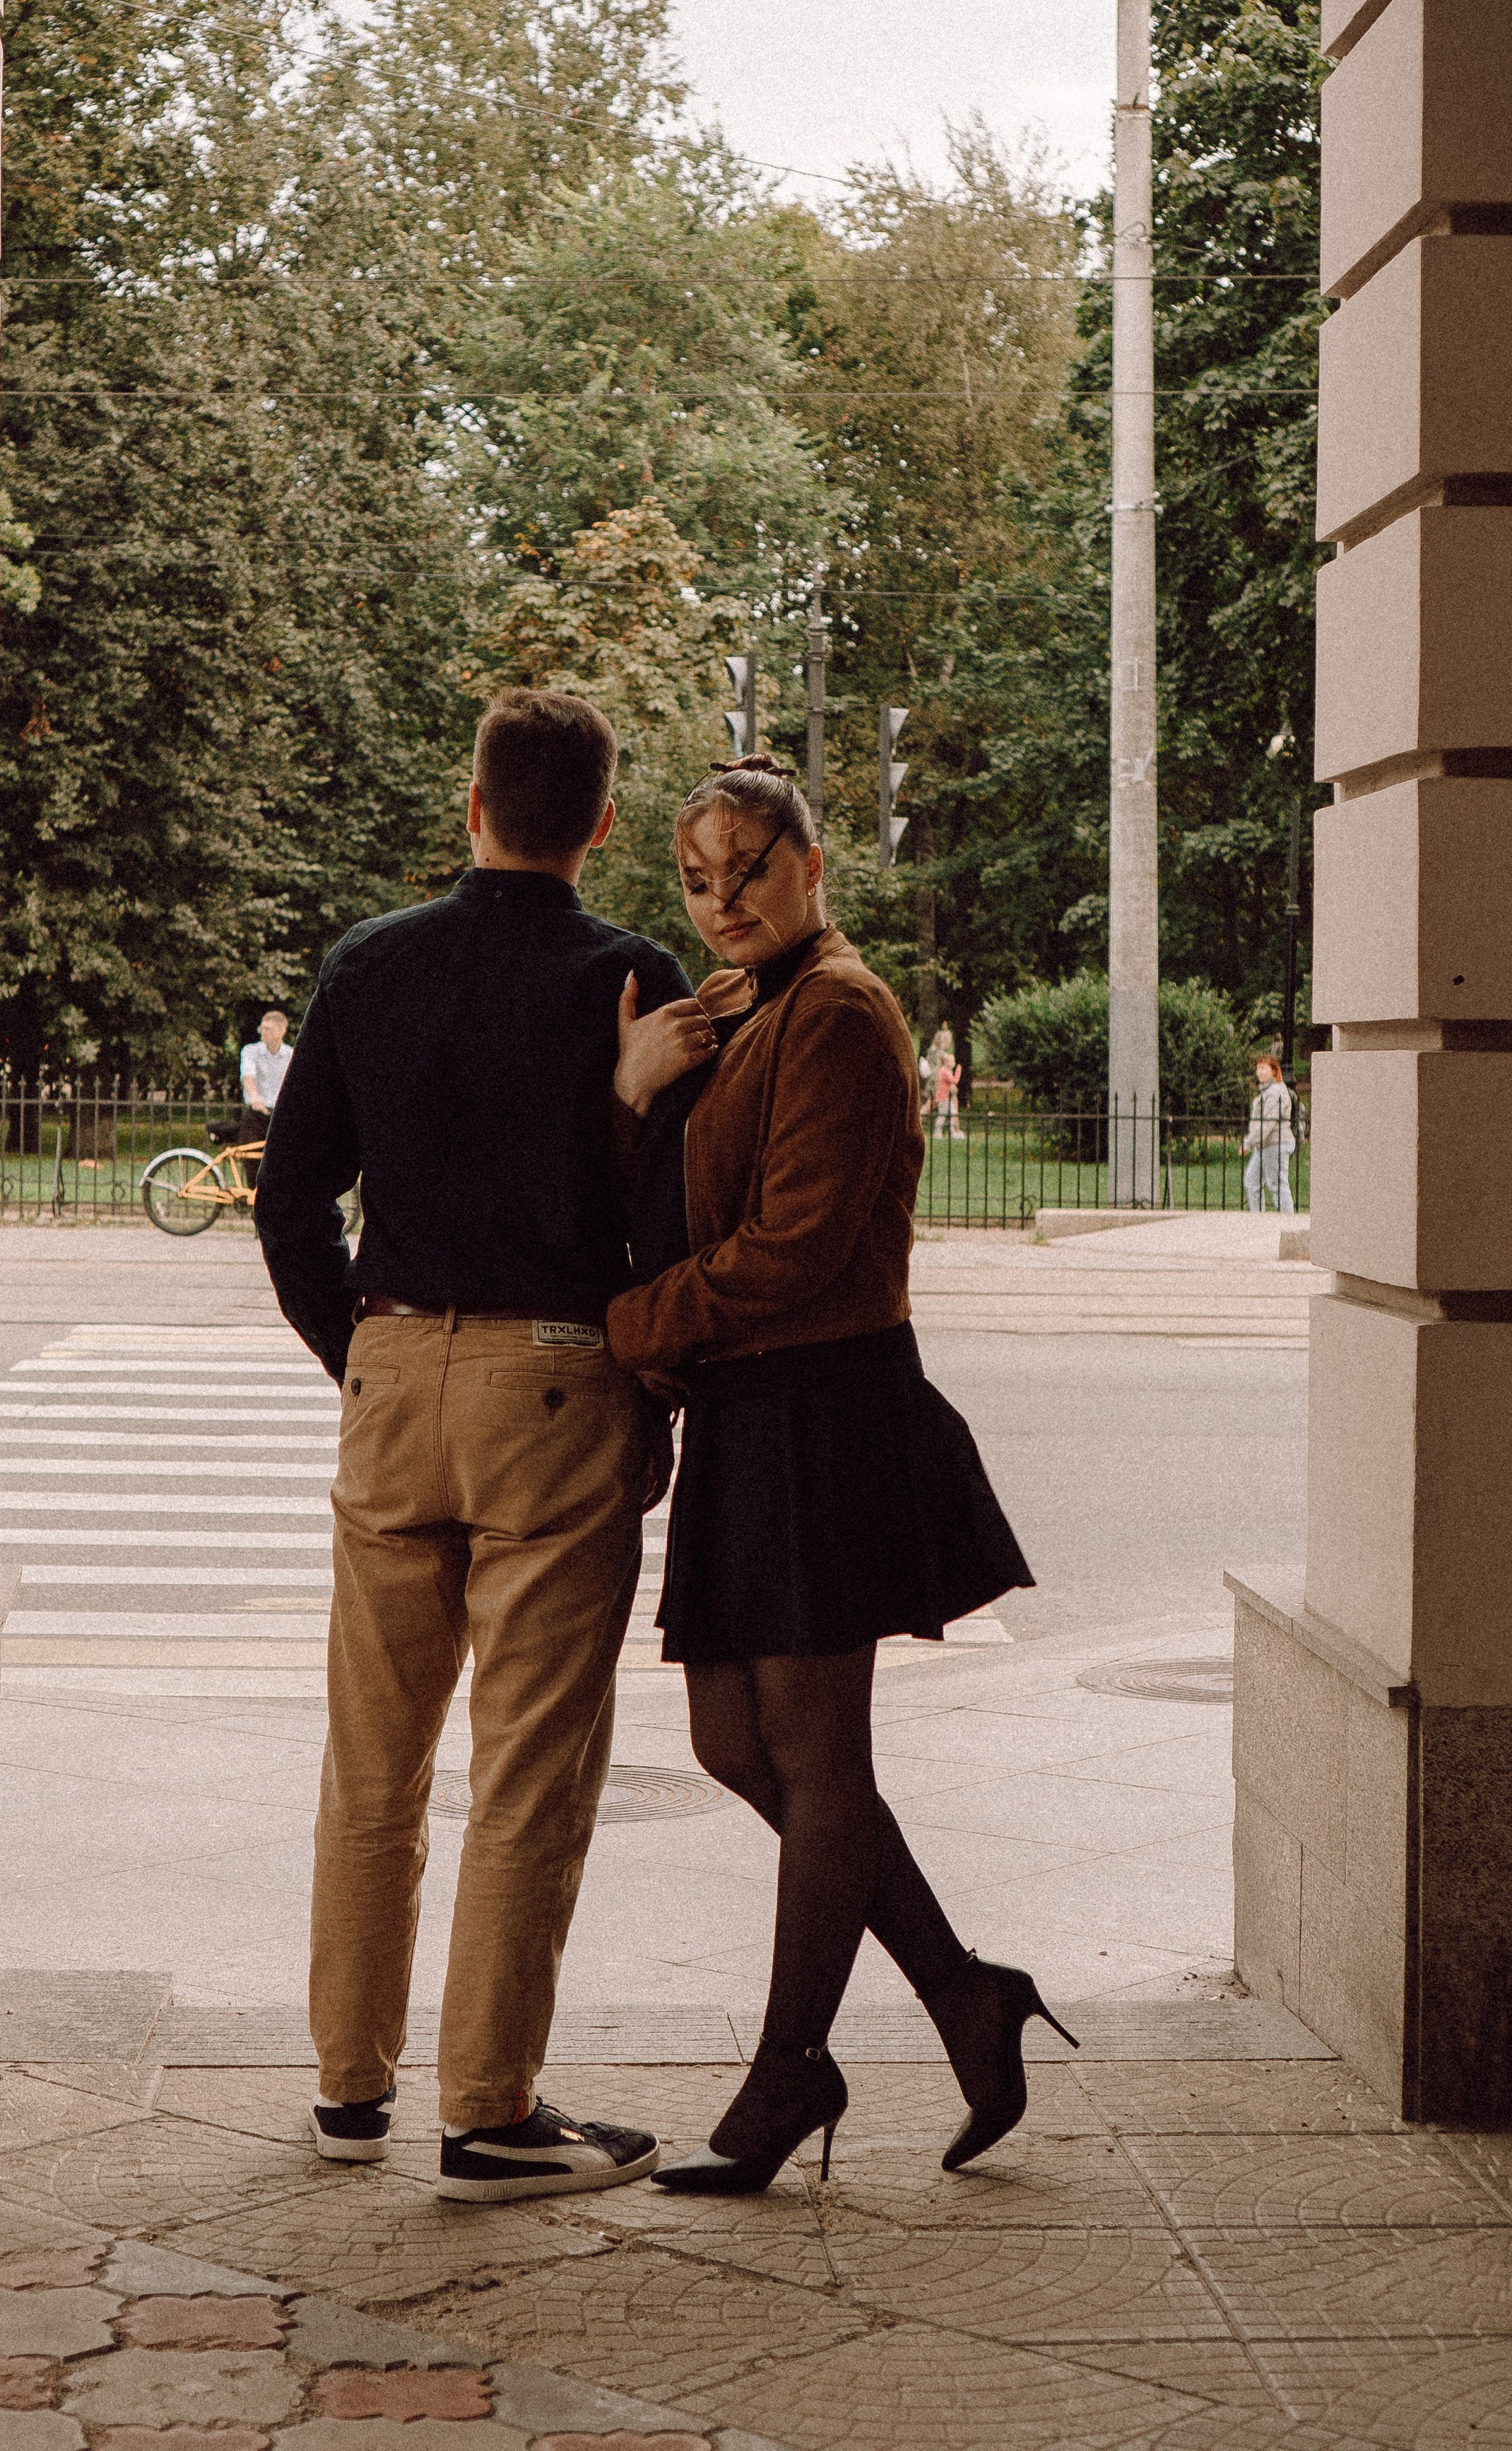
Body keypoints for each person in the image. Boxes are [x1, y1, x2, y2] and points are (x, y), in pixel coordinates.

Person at [254, 688, 713, 2203]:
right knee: (526, 1771)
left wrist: (362, 1353)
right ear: (594, 822)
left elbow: (288, 1196)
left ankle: (345, 2085)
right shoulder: (628, 979)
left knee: (369, 1763)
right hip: (552, 1378)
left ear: (470, 807)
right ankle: (489, 2112)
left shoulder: (369, 964)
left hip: (394, 1365)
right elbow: (667, 1214)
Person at [606, 755, 1061, 2194]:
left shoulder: (845, 1013)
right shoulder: (740, 1010)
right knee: (737, 1751)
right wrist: (639, 1089)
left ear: (811, 863)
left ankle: (789, 2068)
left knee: (813, 1759)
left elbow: (794, 1245)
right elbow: (683, 1193)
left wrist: (628, 1329)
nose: (721, 897)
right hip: (752, 1411)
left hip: (824, 1407)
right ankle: (961, 1994)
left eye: (748, 866)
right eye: (695, 876)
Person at [1241, 1053, 1297, 1212]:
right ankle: (1258, 1219)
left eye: (1264, 1068)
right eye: (1258, 1069)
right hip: (1263, 1146)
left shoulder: (1277, 1092)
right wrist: (1251, 1141)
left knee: (1277, 1184)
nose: (1260, 1072)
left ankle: (1288, 1222)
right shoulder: (1266, 1092)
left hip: (1276, 1144)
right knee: (1252, 1181)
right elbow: (1259, 1125)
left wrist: (1248, 1143)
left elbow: (1268, 1124)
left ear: (1274, 1071)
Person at [238, 1010, 293, 1147]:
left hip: (280, 1115)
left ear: (282, 1031)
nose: (263, 1032)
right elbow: (248, 1076)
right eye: (262, 1028)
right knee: (252, 1158)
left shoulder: (290, 1055)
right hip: (256, 1114)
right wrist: (255, 1098)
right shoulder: (251, 1051)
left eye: (268, 1029)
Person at [923, 1045, 964, 1141]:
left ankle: (952, 1132)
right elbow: (955, 1080)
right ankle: (939, 1132)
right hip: (943, 1097)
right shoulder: (945, 1072)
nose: (954, 1063)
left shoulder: (945, 1071)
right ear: (946, 1062)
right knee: (944, 1114)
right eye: (952, 1061)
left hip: (945, 1097)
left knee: (950, 1113)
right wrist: (958, 1071)